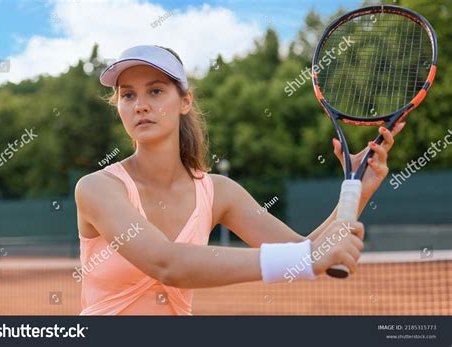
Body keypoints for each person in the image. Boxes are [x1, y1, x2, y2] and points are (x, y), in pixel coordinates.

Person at [75, 45, 404, 315]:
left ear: (185, 101)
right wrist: (307, 259)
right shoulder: (97, 188)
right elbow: (166, 263)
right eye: (128, 95)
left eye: (156, 91)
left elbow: (299, 251)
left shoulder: (218, 191)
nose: (140, 105)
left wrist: (359, 189)